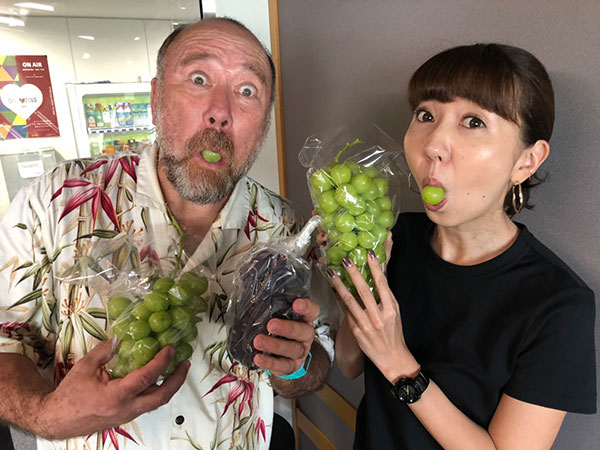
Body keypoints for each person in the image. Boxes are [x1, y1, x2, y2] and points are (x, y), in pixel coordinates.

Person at [0, 18, 335, 450]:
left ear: (265, 122)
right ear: (156, 95)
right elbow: (7, 342)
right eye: (199, 79)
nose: (220, 111)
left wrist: (296, 366)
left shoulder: (285, 227)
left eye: (247, 90)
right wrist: (46, 416)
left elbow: (317, 359)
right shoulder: (54, 200)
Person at [330, 43, 596, 449]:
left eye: (473, 122)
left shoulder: (558, 304)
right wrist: (359, 288)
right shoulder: (394, 237)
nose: (433, 145)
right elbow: (349, 365)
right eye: (425, 115)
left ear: (526, 161)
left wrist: (399, 364)